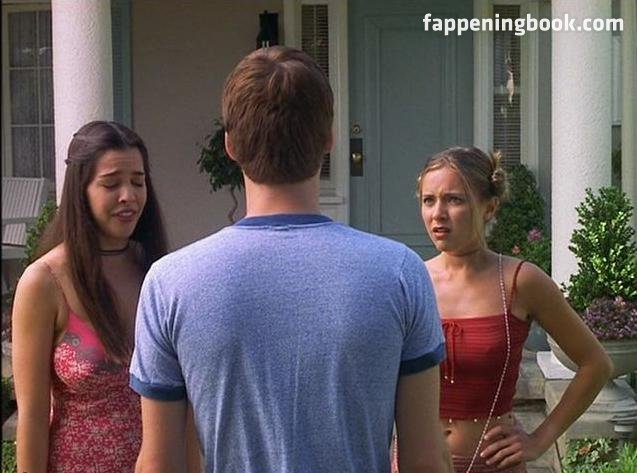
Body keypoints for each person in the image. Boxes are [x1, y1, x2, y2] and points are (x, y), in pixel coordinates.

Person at [130, 46, 452, 473]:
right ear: (329, 138)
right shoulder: (399, 273)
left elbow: (158, 464)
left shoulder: (169, 284)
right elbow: (425, 459)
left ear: (230, 145)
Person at [396, 146, 613, 473]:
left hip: (494, 464)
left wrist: (540, 439)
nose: (437, 213)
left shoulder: (519, 281)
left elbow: (596, 364)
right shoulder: (409, 280)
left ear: (490, 207)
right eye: (429, 200)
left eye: (454, 199)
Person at [12, 121, 169, 472]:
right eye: (111, 184)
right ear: (80, 190)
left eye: (138, 182)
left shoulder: (158, 273)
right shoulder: (45, 282)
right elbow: (33, 418)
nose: (128, 195)